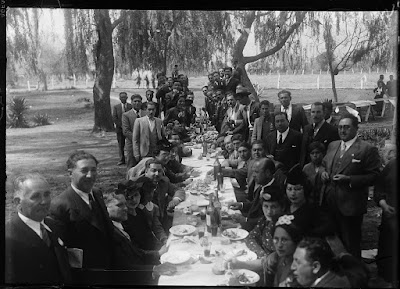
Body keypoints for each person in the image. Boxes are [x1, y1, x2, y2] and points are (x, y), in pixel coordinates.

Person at [49, 151, 115, 284]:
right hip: (84, 277)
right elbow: (61, 253)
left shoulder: (96, 193)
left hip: (109, 268)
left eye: (94, 170)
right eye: (84, 170)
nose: (90, 175)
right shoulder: (60, 205)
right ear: (70, 173)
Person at [321, 114, 381, 258]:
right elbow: (324, 164)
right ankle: (336, 274)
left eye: (347, 127)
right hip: (330, 203)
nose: (342, 130)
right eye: (340, 127)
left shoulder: (366, 149)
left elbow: (375, 176)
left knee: (350, 243)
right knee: (331, 242)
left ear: (355, 128)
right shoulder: (333, 145)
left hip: (350, 206)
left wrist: (349, 179)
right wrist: (323, 172)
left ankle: (353, 275)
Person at [5, 173, 72, 284]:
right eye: (35, 196)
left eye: (47, 194)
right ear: (18, 202)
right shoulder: (8, 238)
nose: (44, 201)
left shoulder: (55, 227)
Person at [104, 191, 176, 285]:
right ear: (105, 209)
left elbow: (136, 253)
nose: (125, 208)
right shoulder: (110, 234)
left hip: (143, 269)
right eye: (119, 205)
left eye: (125, 204)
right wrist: (153, 269)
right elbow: (122, 268)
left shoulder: (120, 227)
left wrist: (158, 253)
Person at [284, 164, 335, 238]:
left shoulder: (313, 209)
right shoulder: (284, 206)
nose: (293, 193)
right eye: (289, 189)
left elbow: (328, 228)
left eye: (297, 189)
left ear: (305, 189)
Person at [229, 158, 277, 232]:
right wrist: (241, 205)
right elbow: (255, 205)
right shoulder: (263, 185)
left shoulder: (274, 192)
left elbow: (268, 219)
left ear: (267, 173)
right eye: (253, 172)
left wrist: (245, 220)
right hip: (250, 222)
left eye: (257, 172)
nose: (253, 175)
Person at [374, 144, 398, 287]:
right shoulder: (392, 165)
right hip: (390, 218)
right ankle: (386, 277)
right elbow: (379, 186)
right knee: (387, 248)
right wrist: (383, 203)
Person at [245, 183, 287, 258]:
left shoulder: (283, 228)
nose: (269, 211)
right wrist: (261, 254)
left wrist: (264, 259)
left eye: (273, 207)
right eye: (266, 206)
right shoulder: (264, 220)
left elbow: (278, 259)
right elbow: (250, 237)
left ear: (282, 207)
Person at [144, 158, 185, 231]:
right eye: (153, 170)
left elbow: (178, 190)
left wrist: (176, 199)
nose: (157, 174)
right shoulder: (139, 186)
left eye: (159, 171)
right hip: (147, 224)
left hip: (163, 220)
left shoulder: (163, 182)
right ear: (146, 171)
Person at [300, 102, 339, 167]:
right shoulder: (307, 129)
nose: (315, 115)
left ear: (324, 113)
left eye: (318, 112)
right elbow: (303, 151)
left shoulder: (332, 130)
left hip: (323, 168)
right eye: (313, 112)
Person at [122, 94, 147, 169]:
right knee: (131, 164)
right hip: (131, 144)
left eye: (139, 101)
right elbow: (126, 131)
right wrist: (136, 139)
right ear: (131, 102)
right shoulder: (126, 115)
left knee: (144, 165)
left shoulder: (146, 114)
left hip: (145, 144)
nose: (137, 103)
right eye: (135, 101)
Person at [302, 141, 326, 206]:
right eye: (312, 153)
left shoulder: (327, 167)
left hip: (324, 202)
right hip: (310, 202)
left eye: (317, 153)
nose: (315, 155)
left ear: (323, 153)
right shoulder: (306, 168)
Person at [113, 92, 132, 165]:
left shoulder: (130, 106)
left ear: (127, 98)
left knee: (130, 144)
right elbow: (114, 118)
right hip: (120, 129)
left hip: (129, 129)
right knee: (121, 145)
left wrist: (127, 126)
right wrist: (121, 125)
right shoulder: (116, 107)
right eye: (122, 97)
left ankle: (130, 159)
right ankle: (121, 159)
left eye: (125, 97)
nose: (123, 99)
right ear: (119, 98)